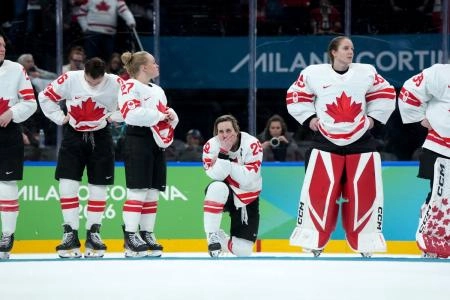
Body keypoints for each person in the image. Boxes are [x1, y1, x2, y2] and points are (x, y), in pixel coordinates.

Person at [286, 36, 396, 257]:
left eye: (352, 48)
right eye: (346, 48)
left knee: (365, 192)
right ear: (333, 52)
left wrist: (373, 118)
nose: (351, 52)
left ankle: (365, 241)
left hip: (361, 140)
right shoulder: (313, 73)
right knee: (319, 192)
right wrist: (309, 119)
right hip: (325, 141)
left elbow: (386, 93)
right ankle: (314, 240)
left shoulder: (366, 72)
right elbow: (295, 96)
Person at [38, 57, 123, 258]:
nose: (93, 85)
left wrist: (114, 116)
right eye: (90, 81)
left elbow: (132, 105)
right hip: (73, 135)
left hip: (101, 137)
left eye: (98, 82)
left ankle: (94, 233)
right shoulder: (69, 78)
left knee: (98, 186)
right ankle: (70, 233)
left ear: (104, 75)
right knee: (67, 185)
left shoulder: (116, 82)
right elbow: (44, 96)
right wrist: (59, 118)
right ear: (83, 72)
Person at [118, 51, 178, 257]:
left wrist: (171, 116)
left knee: (152, 191)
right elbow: (131, 114)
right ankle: (130, 235)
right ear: (143, 67)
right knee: (137, 190)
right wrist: (161, 115)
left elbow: (162, 111)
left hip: (156, 141)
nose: (157, 65)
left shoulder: (159, 90)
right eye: (154, 62)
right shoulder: (129, 86)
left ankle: (147, 233)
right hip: (138, 139)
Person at [398, 64, 450, 258]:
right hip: (439, 146)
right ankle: (429, 237)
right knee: (440, 193)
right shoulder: (440, 73)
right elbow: (409, 90)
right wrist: (419, 117)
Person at [202, 114, 263, 257]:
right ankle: (212, 236)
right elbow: (215, 176)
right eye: (220, 132)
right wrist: (223, 153)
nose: (225, 135)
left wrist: (225, 164)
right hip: (226, 191)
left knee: (243, 251)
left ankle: (222, 239)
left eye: (228, 130)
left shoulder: (252, 144)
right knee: (216, 187)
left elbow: (247, 178)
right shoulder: (211, 145)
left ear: (236, 130)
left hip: (248, 195)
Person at [0, 33, 37, 259]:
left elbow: (30, 103)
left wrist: (11, 113)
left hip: (8, 132)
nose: (1, 49)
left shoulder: (16, 70)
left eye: (3, 45)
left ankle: (7, 235)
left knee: (6, 183)